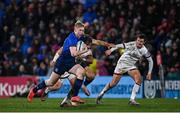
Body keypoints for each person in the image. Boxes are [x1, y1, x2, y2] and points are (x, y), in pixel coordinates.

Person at [27, 20, 89, 103]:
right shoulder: (71, 39)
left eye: (83, 30)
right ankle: (34, 90)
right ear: (75, 29)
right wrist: (84, 50)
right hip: (62, 63)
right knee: (51, 82)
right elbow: (74, 53)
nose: (81, 32)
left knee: (81, 72)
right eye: (80, 30)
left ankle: (74, 96)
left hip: (71, 63)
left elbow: (89, 38)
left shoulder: (80, 37)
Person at [96, 34, 153, 106]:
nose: (139, 42)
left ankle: (132, 99)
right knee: (113, 84)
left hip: (130, 66)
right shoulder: (132, 44)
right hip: (122, 64)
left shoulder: (144, 50)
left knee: (139, 79)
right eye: (138, 40)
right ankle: (101, 94)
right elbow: (119, 45)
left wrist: (149, 72)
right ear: (136, 40)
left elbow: (151, 61)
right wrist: (111, 50)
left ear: (144, 42)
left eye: (141, 41)